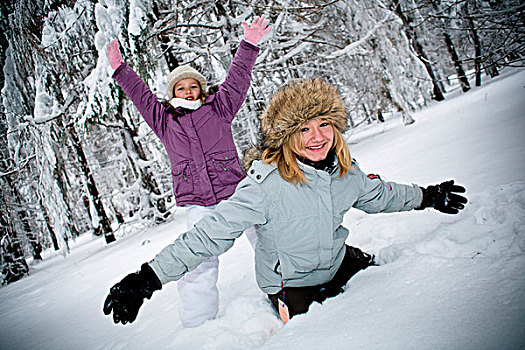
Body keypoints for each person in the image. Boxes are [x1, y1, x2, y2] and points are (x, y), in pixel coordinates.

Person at [103, 78, 467, 325]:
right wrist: (146, 278)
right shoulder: (264, 187)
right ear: (285, 137)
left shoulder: (345, 173)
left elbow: (379, 196)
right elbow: (207, 234)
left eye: (324, 124)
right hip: (292, 286)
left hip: (340, 263)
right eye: (303, 129)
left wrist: (428, 196)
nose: (316, 137)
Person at [105, 16, 271, 327]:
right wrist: (120, 70)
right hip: (197, 202)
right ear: (172, 92)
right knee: (198, 260)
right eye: (181, 87)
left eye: (194, 86)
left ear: (201, 89)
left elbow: (237, 79)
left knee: (267, 238)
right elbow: (141, 97)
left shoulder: (219, 108)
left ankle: (285, 288)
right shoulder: (165, 121)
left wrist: (249, 44)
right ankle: (198, 323)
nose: (189, 90)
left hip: (235, 192)